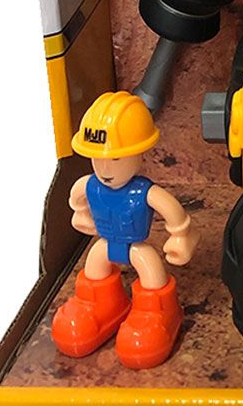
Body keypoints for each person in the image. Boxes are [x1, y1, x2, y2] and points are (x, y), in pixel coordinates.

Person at [51, 91, 199, 369]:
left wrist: (181, 235)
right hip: (104, 244)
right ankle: (96, 303)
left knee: (152, 276)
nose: (105, 168)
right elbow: (76, 198)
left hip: (137, 249)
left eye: (116, 159)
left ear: (138, 153)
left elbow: (173, 212)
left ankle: (156, 311)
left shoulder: (144, 192)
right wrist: (82, 214)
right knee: (94, 269)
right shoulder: (90, 186)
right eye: (98, 159)